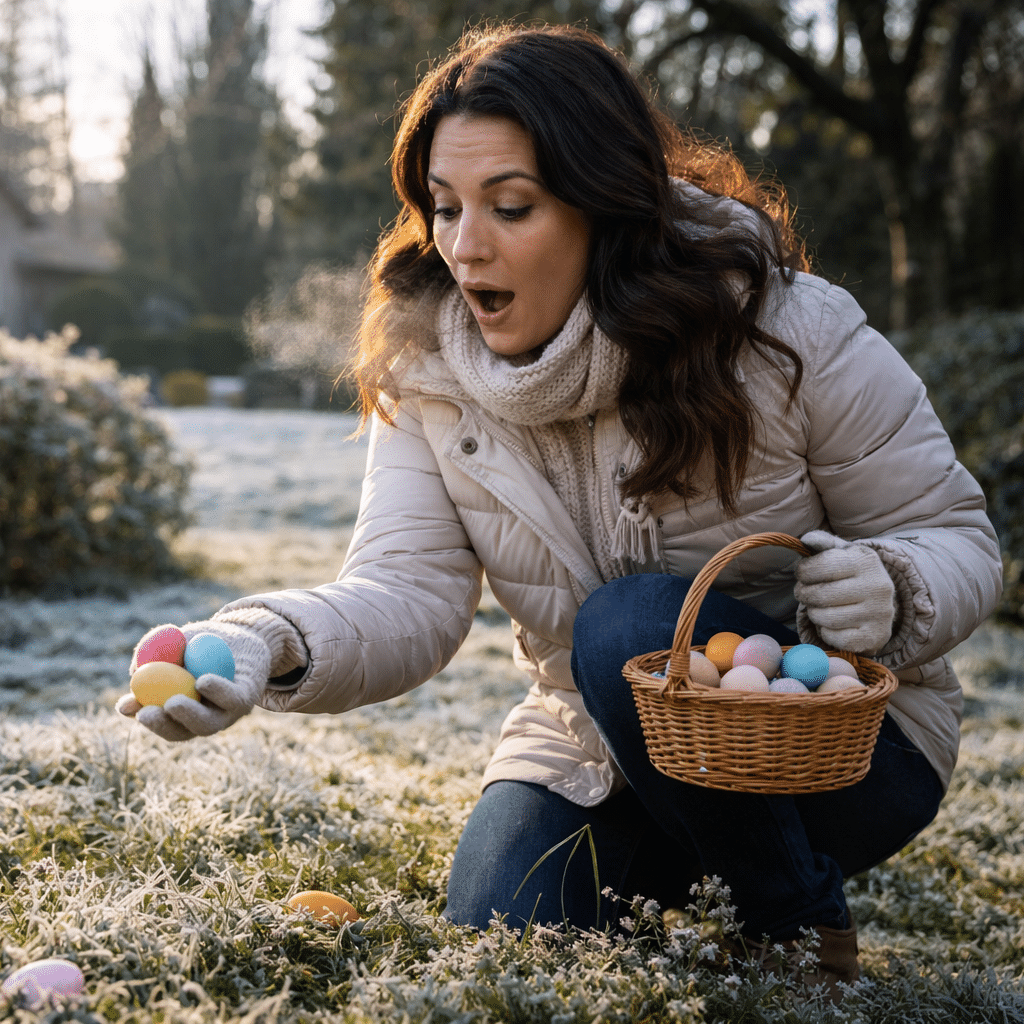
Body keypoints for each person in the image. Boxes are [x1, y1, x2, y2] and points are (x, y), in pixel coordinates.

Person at [118, 23, 1002, 997]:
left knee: (627, 625)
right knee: (500, 924)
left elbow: (956, 535)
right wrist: (264, 639)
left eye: (510, 206)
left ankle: (792, 919)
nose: (463, 245)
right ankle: (697, 887)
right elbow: (404, 589)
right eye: (444, 208)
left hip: (837, 752)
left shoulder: (786, 327)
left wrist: (894, 584)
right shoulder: (430, 375)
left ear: (604, 204)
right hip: (594, 746)